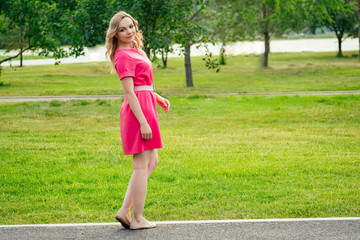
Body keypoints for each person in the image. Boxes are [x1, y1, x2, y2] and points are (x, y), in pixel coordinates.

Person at [105, 11, 170, 230]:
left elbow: (143, 83)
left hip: (148, 105)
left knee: (151, 163)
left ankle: (125, 210)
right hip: (137, 112)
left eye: (130, 26)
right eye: (122, 29)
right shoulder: (122, 56)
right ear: (115, 34)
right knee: (141, 165)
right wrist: (143, 122)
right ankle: (137, 218)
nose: (128, 32)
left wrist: (157, 97)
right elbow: (130, 92)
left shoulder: (135, 50)